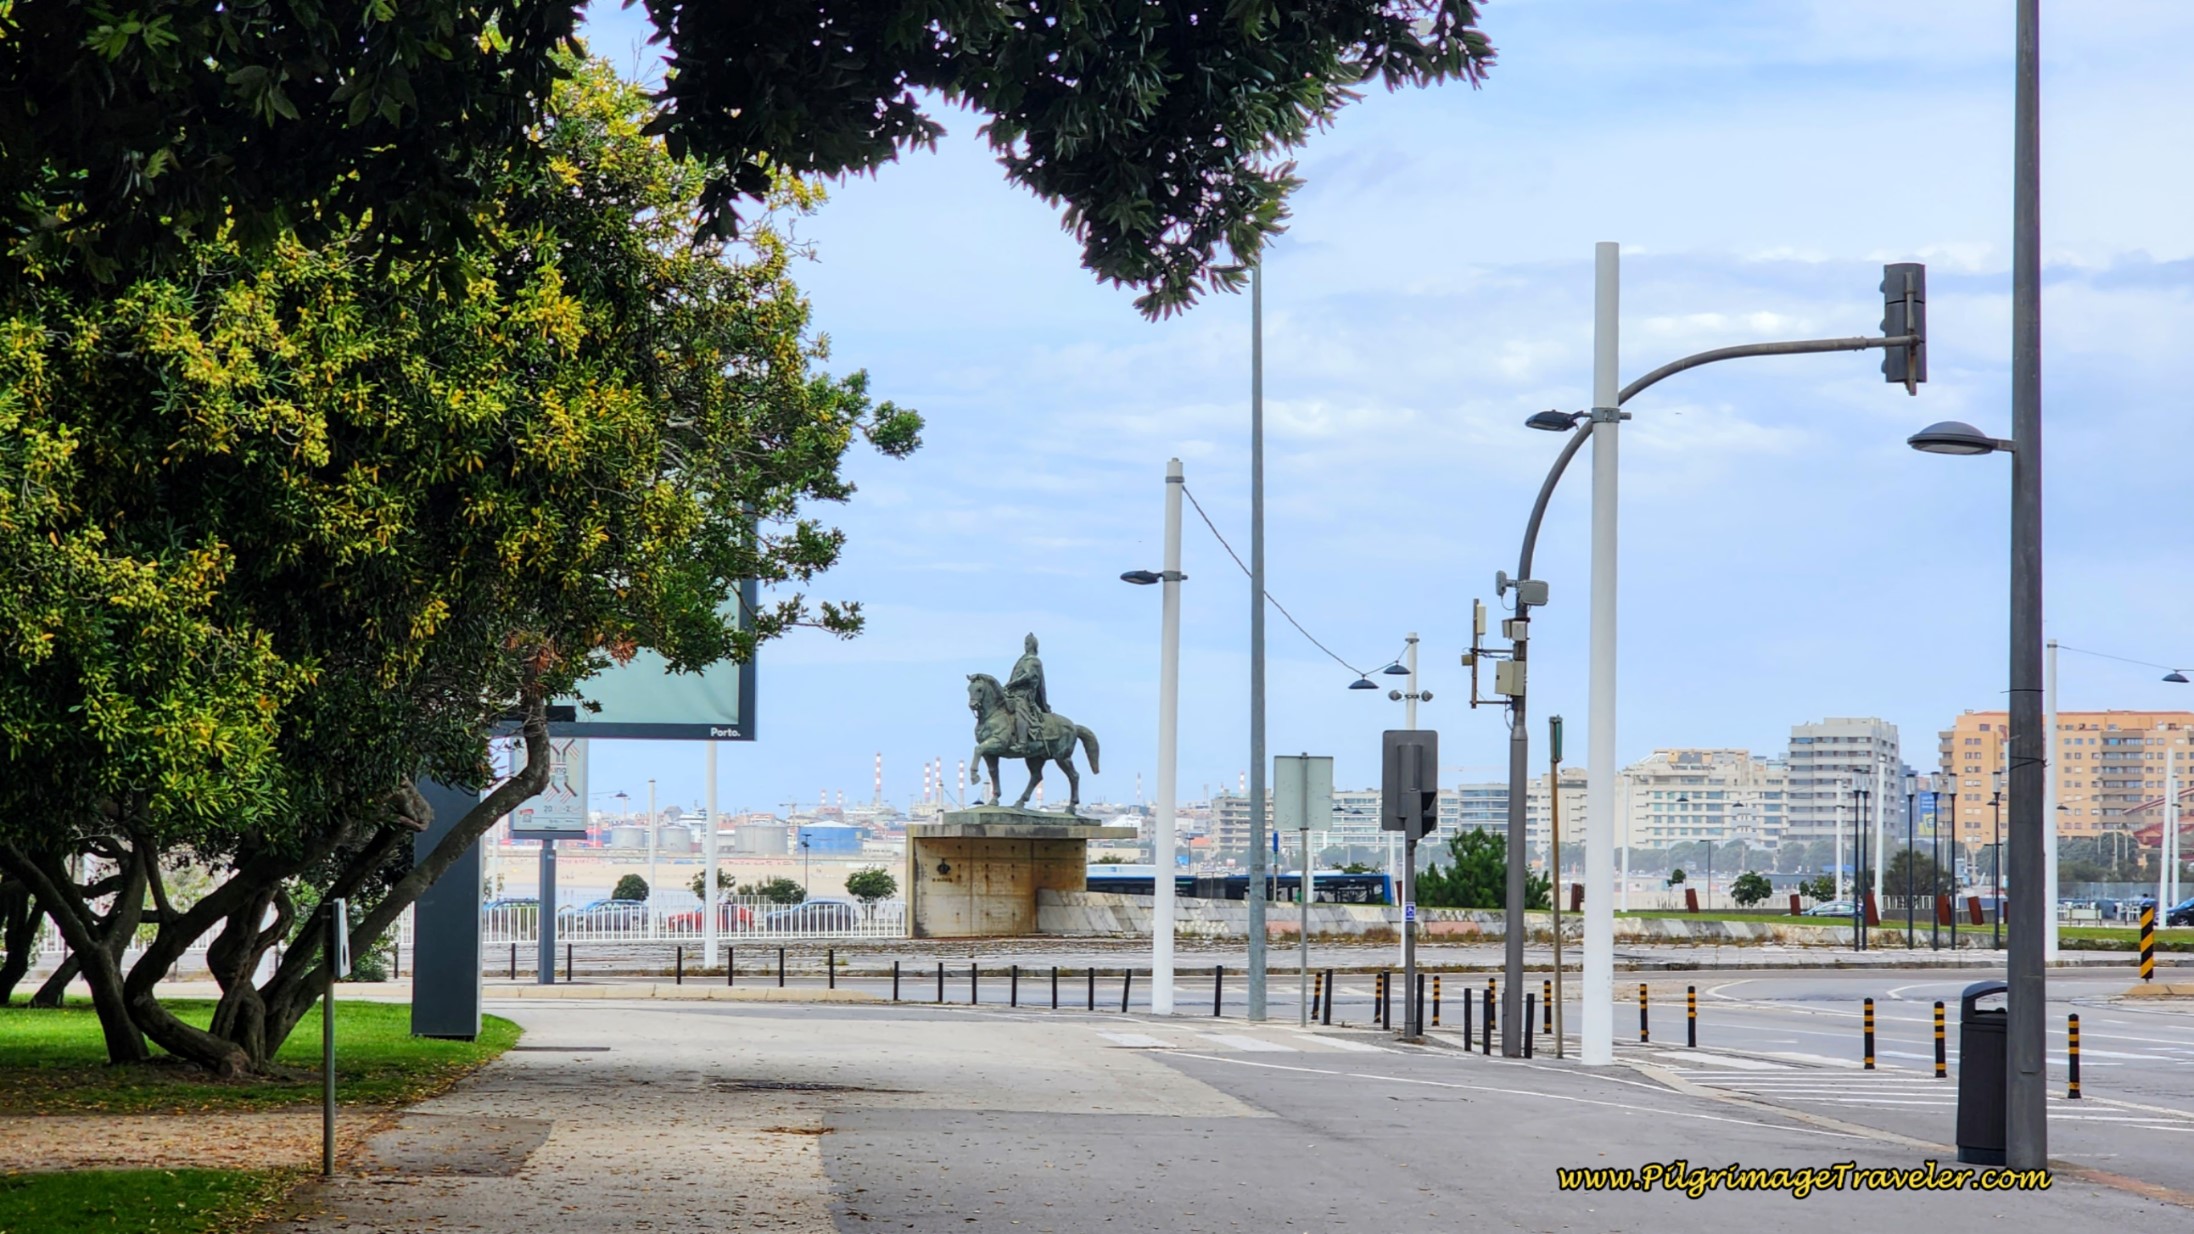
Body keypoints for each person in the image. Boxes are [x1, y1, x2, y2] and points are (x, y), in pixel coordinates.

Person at [1005, 633, 1049, 751]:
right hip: (1012, 693)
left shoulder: (1033, 661)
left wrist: (1012, 683)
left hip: (1024, 695)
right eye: (1025, 644)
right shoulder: (1022, 659)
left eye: (1028, 644)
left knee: (1021, 713)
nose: (1025, 646)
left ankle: (1022, 744)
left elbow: (1029, 675)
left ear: (1033, 645)